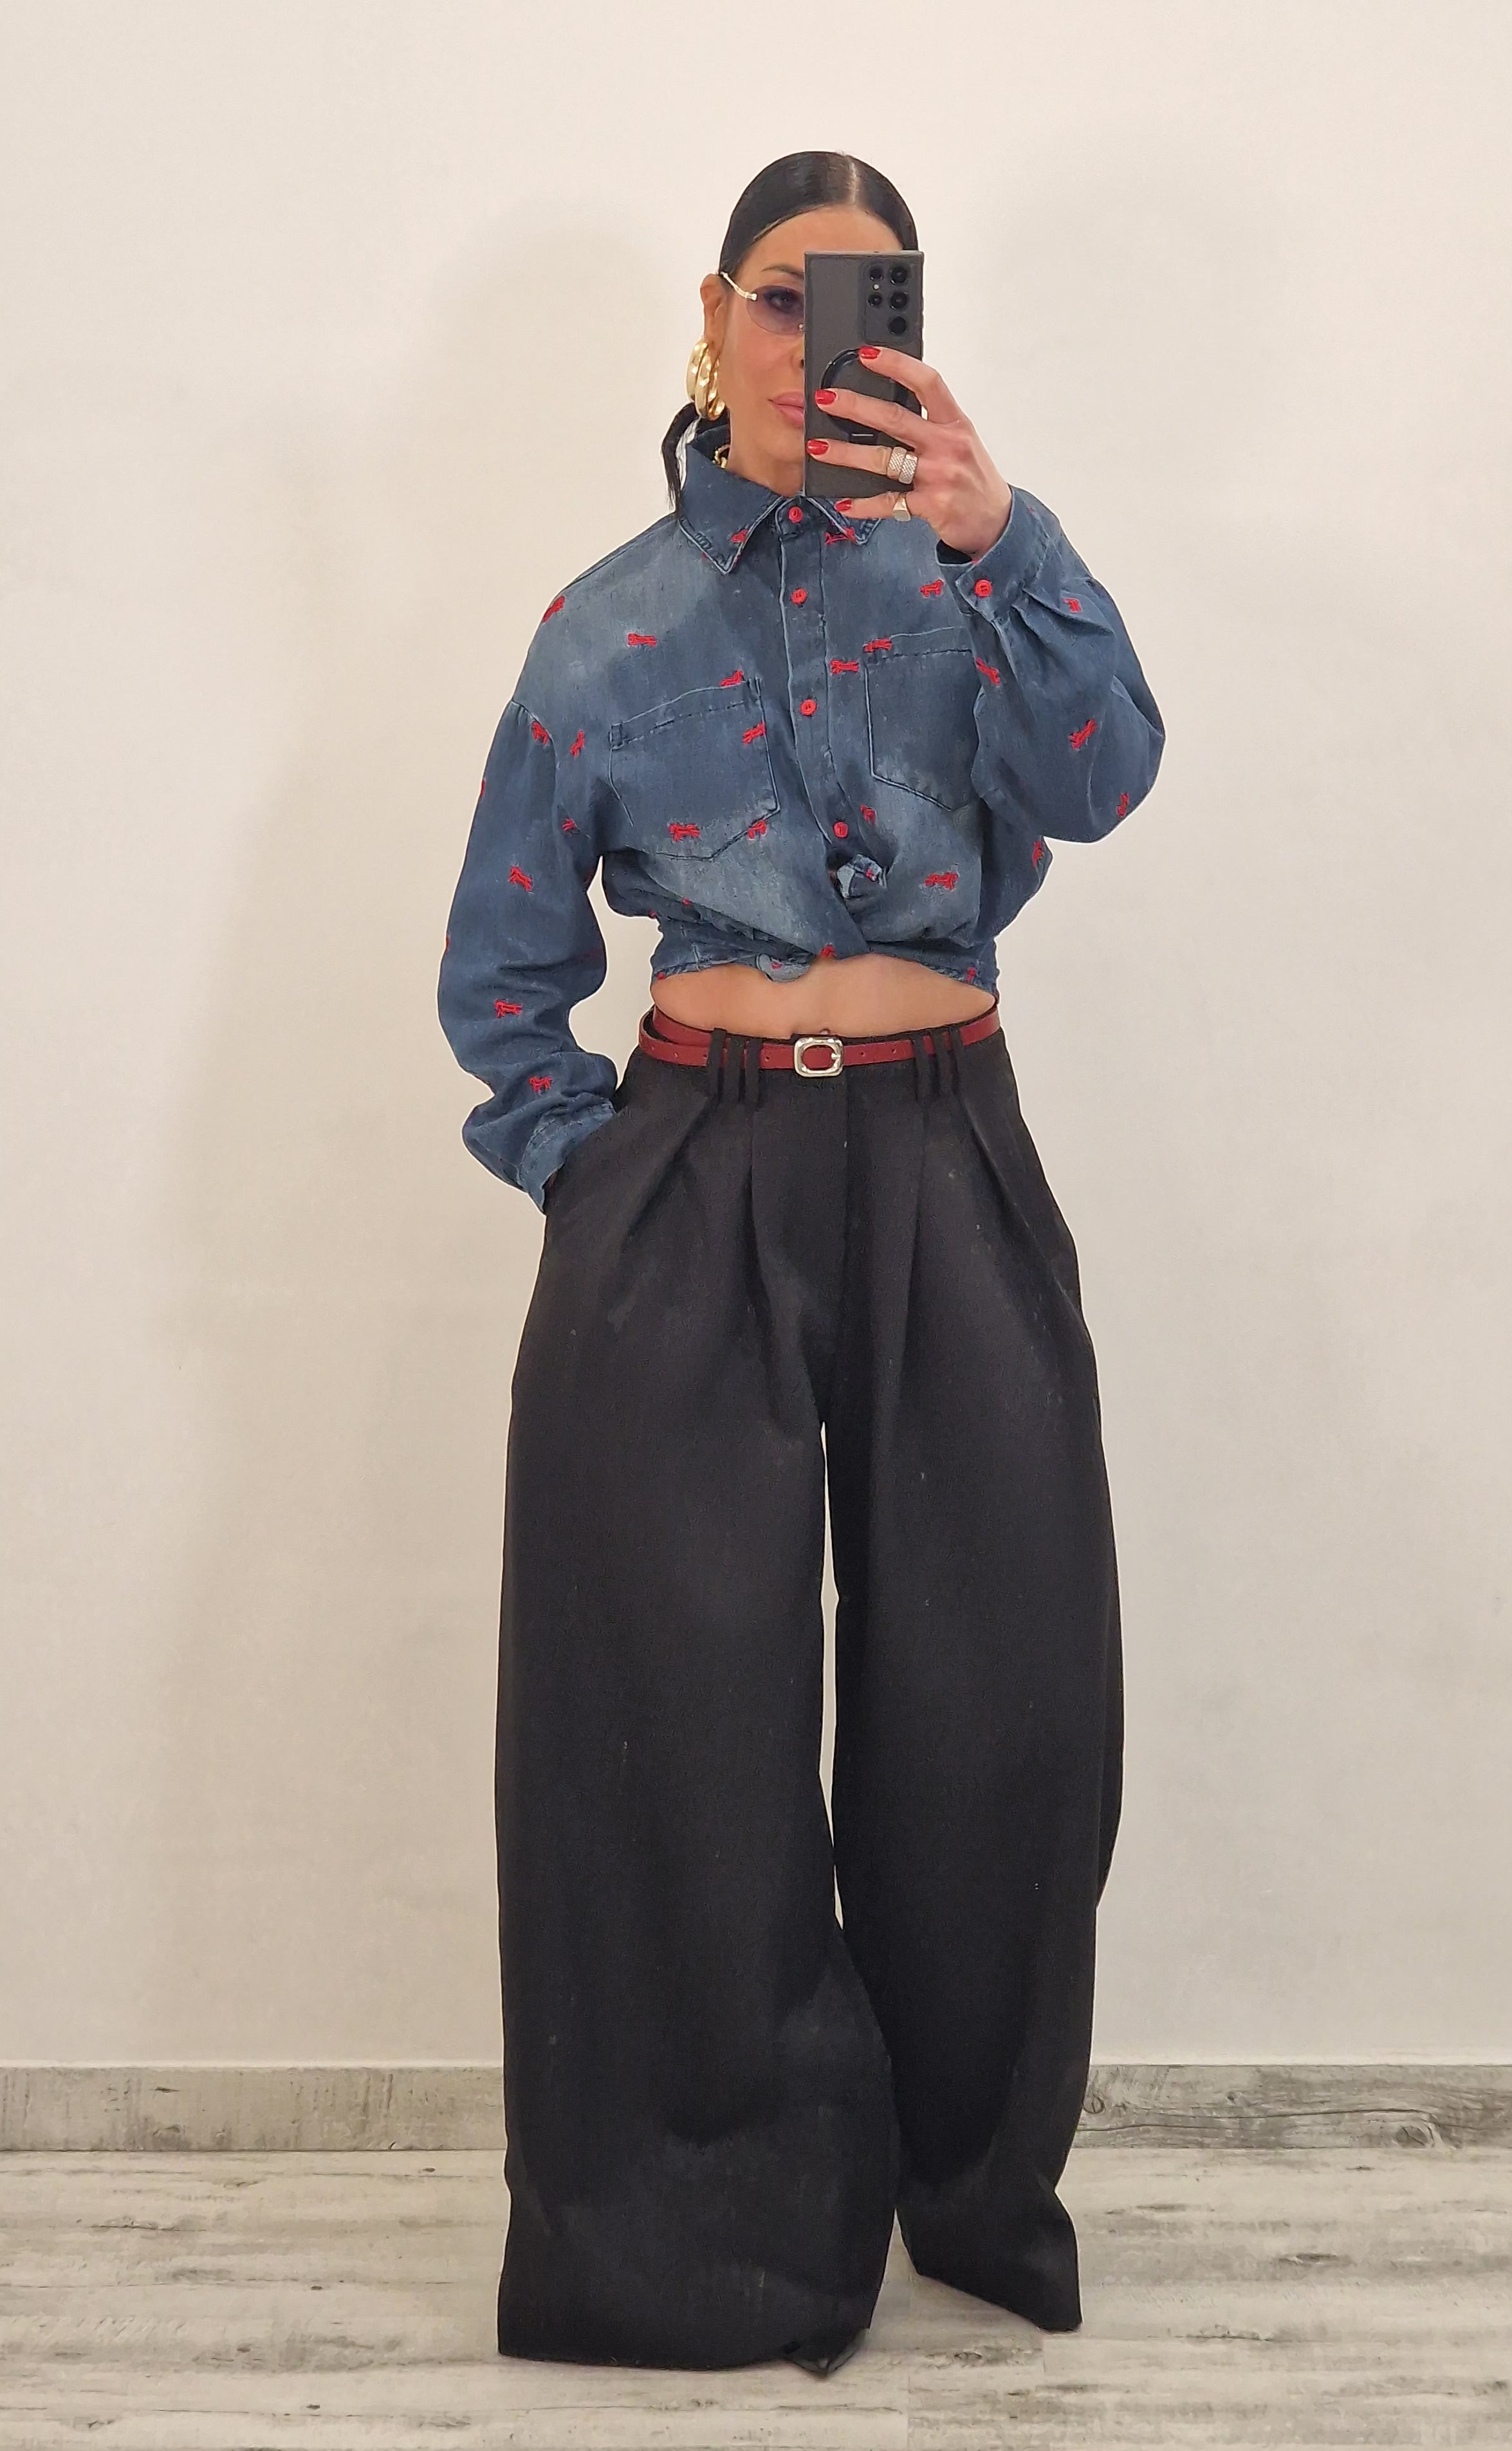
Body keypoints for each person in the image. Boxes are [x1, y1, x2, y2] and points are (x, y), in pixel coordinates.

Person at [437, 150, 1165, 2376]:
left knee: (1006, 1691)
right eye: (783, 298)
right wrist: (607, 1181)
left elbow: (1107, 775)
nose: (814, 343)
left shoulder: (971, 582)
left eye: (868, 302)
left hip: (950, 1151)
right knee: (678, 1715)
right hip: (697, 1168)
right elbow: (501, 977)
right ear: (716, 310)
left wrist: (1005, 535)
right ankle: (708, 2226)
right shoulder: (608, 623)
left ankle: (968, 2180)